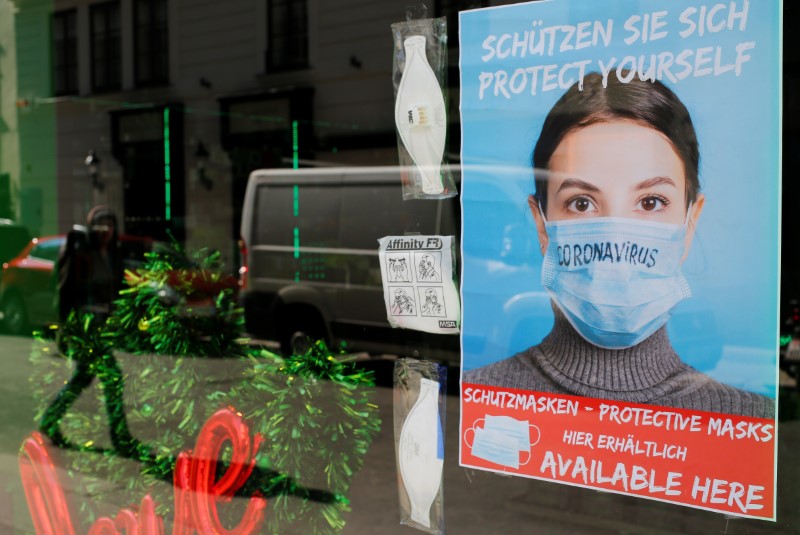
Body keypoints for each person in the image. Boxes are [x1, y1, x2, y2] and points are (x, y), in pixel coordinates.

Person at [464, 73, 774, 419]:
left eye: (651, 202)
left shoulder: (748, 423)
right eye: (581, 203)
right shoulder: (482, 403)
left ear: (690, 223)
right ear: (542, 225)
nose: (616, 239)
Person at [41, 206, 143, 456]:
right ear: (91, 228)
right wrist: (64, 329)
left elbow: (116, 290)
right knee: (113, 378)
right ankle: (120, 438)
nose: (105, 231)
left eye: (109, 225)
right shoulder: (80, 252)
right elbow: (64, 292)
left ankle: (49, 421)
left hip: (102, 327)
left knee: (83, 378)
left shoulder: (113, 253)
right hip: (85, 327)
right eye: (100, 225)